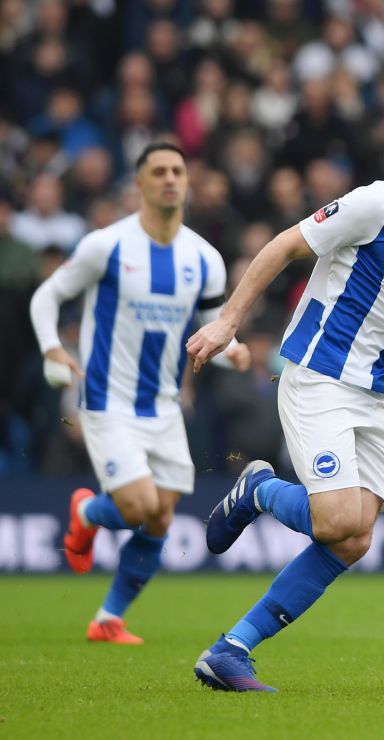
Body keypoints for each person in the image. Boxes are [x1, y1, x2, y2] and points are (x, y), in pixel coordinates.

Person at [185, 109, 384, 692]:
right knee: (334, 520)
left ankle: (231, 650)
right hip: (320, 376)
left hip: (378, 396)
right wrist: (229, 320)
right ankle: (259, 489)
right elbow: (283, 245)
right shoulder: (376, 205)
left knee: (354, 538)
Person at [29, 142, 251, 644]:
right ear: (141, 183)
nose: (170, 178)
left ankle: (108, 618)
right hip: (108, 401)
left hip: (165, 406)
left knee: (161, 516)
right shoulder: (105, 246)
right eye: (159, 171)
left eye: (178, 170)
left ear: (187, 182)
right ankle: (87, 512)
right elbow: (48, 295)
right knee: (138, 506)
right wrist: (50, 349)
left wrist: (232, 347)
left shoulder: (205, 258)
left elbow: (212, 322)